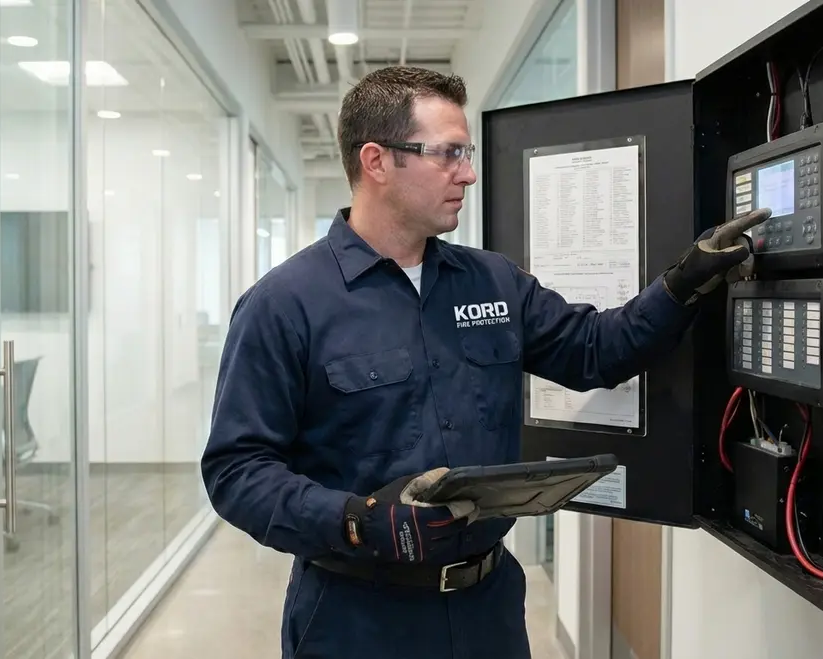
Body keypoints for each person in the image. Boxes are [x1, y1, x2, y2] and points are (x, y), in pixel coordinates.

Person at [201, 65, 770, 659]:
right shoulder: (285, 304)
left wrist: (683, 283)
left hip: (487, 611)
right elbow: (237, 471)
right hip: (357, 619)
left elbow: (597, 351)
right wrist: (358, 519)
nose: (468, 174)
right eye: (447, 154)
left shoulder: (491, 280)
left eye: (466, 153)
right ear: (376, 161)